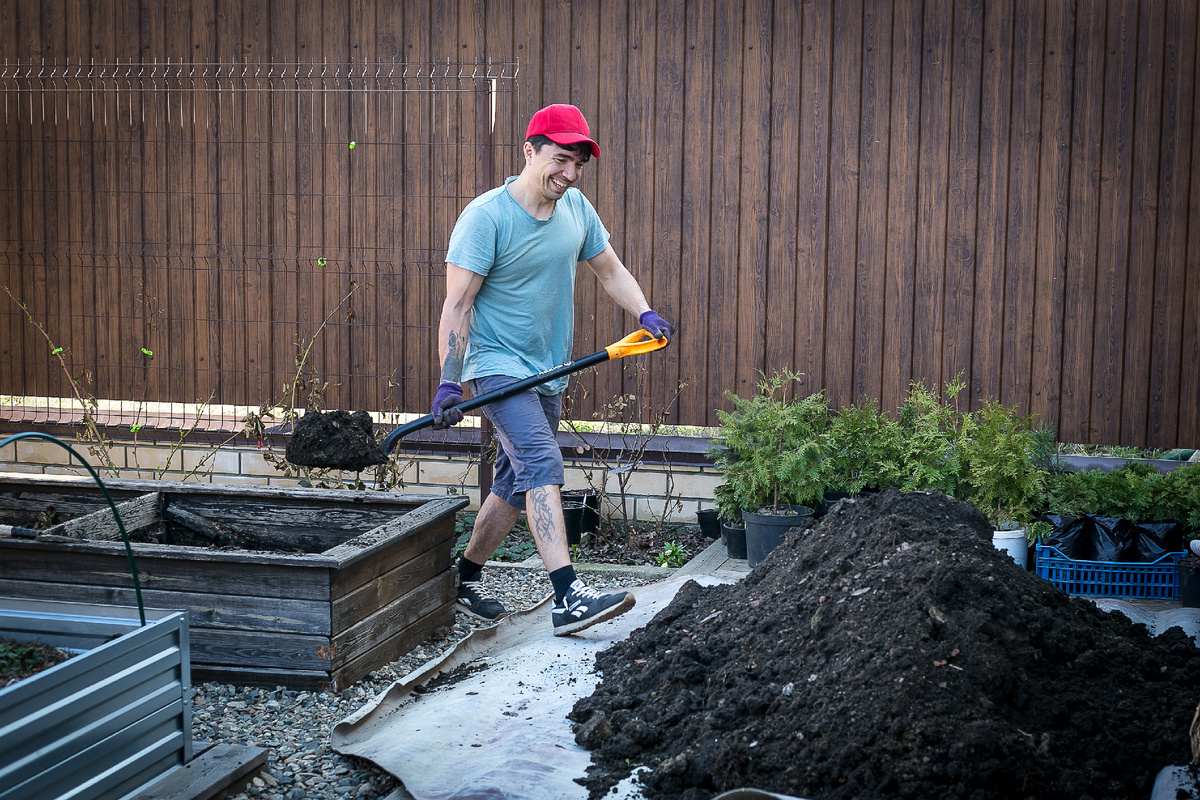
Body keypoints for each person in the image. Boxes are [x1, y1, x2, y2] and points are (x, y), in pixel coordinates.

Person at [432, 103, 674, 636]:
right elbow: (458, 305)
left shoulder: (576, 210)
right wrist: (451, 378)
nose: (569, 174)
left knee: (517, 482)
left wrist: (644, 311)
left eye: (578, 165)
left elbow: (609, 268)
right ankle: (568, 596)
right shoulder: (486, 217)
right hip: (497, 367)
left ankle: (461, 579)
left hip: (547, 371)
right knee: (542, 461)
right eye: (560, 160)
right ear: (529, 151)